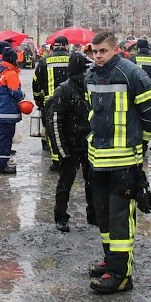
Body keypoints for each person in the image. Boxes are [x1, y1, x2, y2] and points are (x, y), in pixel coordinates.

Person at [85, 31, 151, 294]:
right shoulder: (90, 75)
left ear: (114, 49)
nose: (98, 56)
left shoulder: (132, 74)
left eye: (103, 51)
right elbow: (91, 114)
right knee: (104, 217)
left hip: (125, 161)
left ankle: (121, 276)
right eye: (94, 52)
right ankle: (111, 261)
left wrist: (140, 143)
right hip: (98, 160)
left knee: (120, 220)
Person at [46, 51, 95, 232]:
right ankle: (61, 216)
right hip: (70, 146)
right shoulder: (63, 90)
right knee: (65, 183)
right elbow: (54, 123)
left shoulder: (90, 87)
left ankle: (94, 215)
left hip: (88, 145)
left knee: (93, 182)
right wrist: (62, 150)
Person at [33, 36, 71, 170]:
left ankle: (56, 161)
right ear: (66, 46)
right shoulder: (73, 59)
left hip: (50, 103)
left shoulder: (44, 61)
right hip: (71, 102)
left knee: (53, 131)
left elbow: (36, 83)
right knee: (69, 130)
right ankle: (70, 159)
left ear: (54, 46)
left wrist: (38, 100)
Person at [0, 48, 25, 175]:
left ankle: (1, 163)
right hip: (7, 112)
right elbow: (15, 93)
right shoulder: (10, 74)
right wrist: (23, 95)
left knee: (1, 139)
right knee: (5, 140)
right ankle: (2, 166)